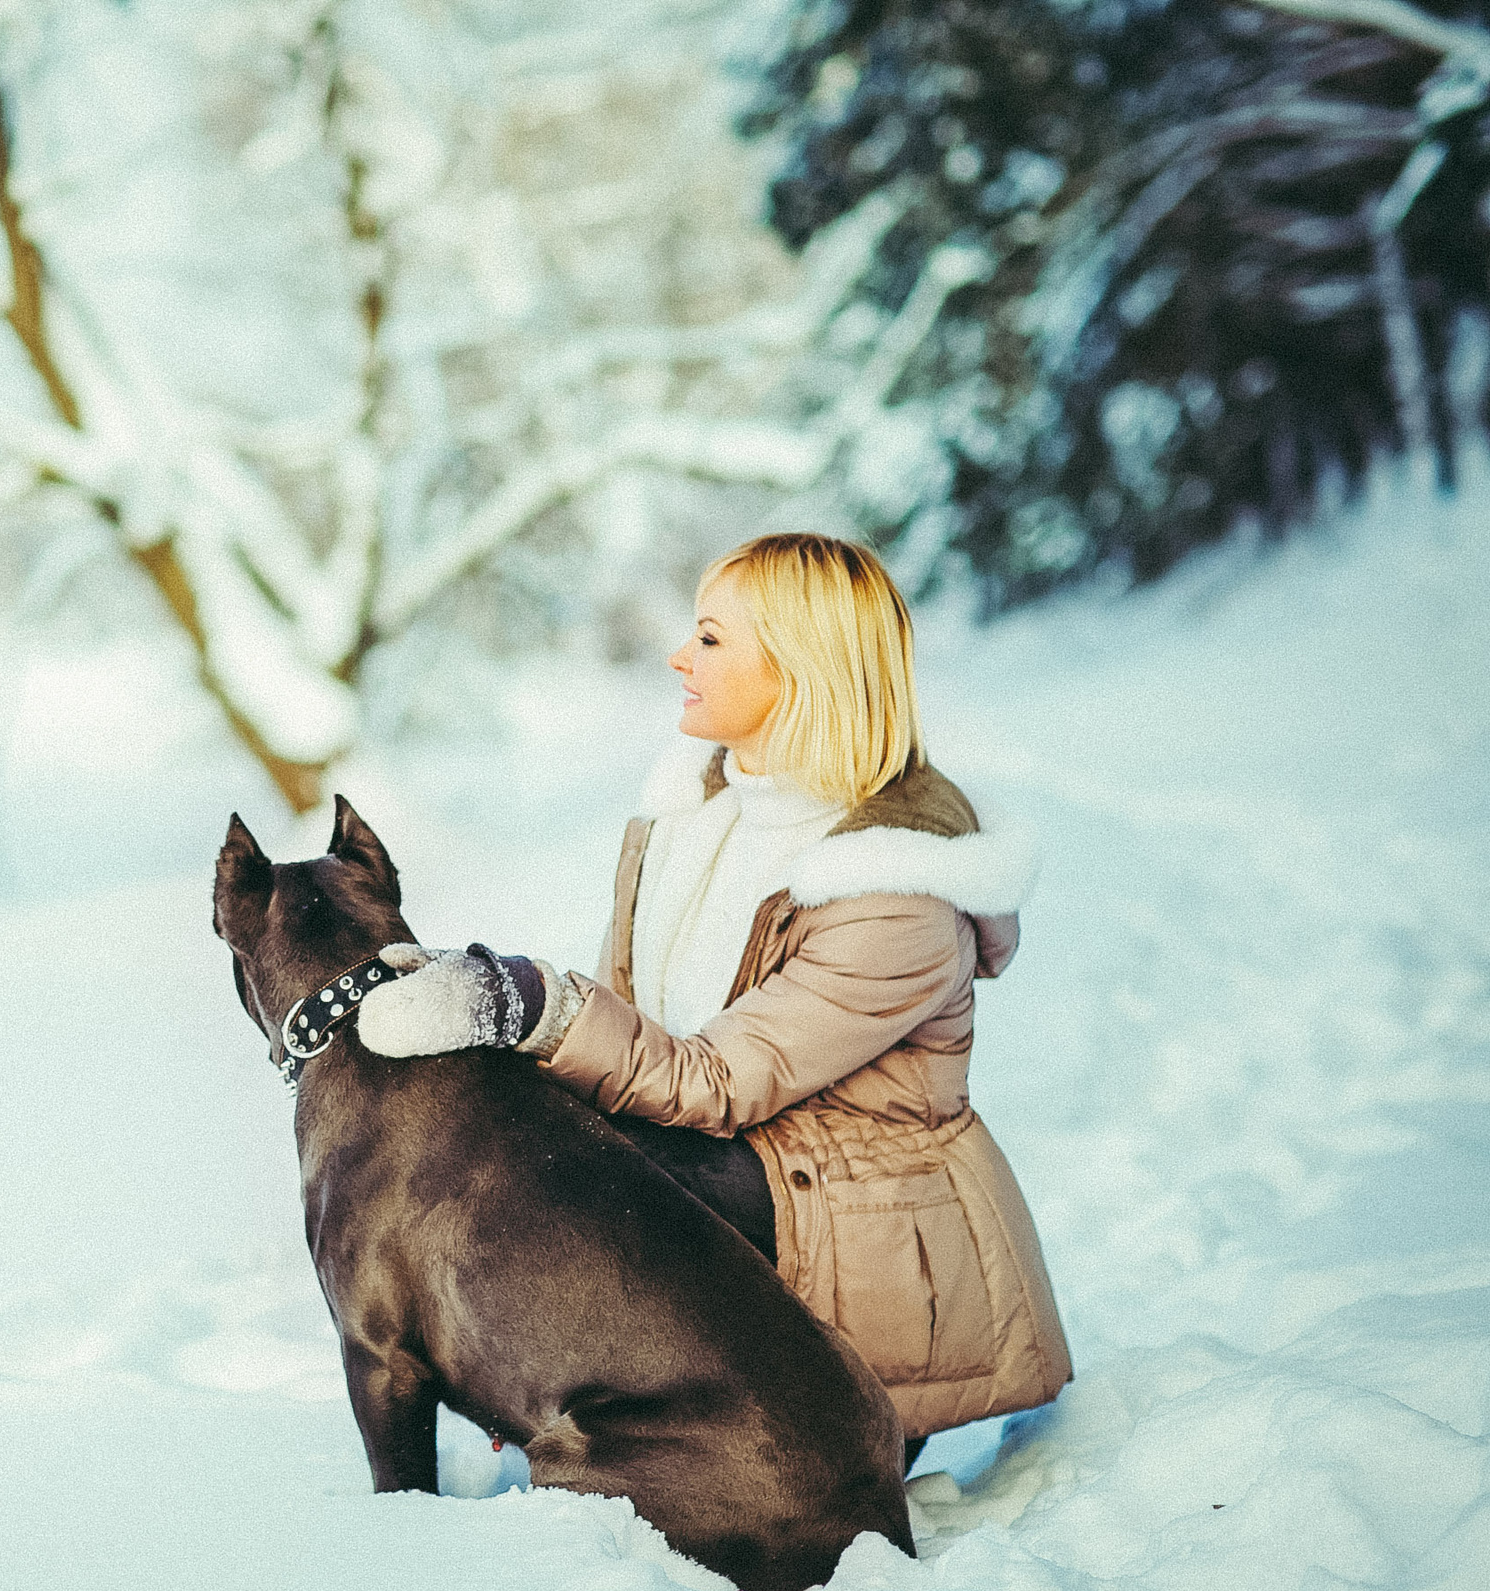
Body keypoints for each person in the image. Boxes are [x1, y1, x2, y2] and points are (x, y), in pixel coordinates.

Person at [355, 532, 1070, 1471]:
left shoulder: (893, 890)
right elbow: (630, 1030)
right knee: (514, 1131)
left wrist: (528, 999)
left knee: (586, 1179)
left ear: (800, 664)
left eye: (711, 638)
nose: (678, 658)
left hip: (861, 1242)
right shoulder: (695, 815)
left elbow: (716, 1080)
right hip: (739, 1175)